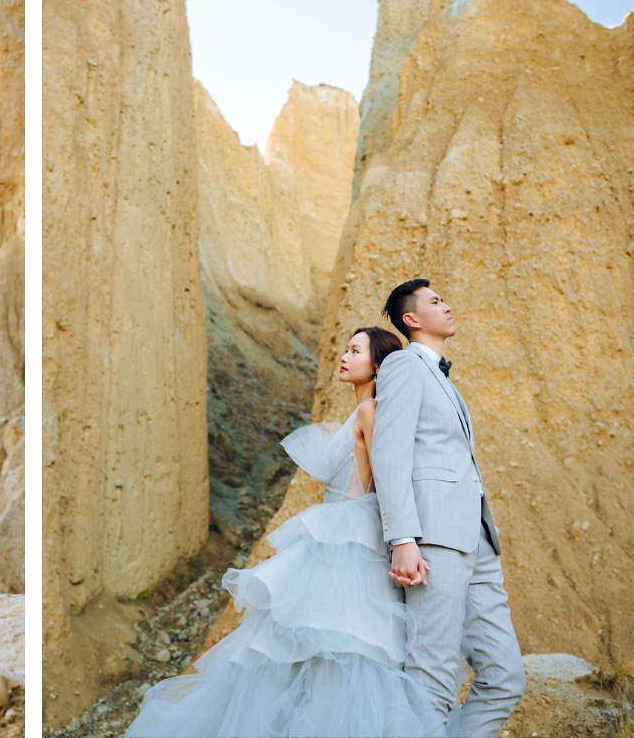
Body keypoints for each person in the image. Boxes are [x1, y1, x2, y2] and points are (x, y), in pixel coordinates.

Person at [126, 327, 442, 737]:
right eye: (345, 349)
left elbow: (391, 482)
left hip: (350, 545)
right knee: (305, 656)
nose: (344, 357)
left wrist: (404, 541)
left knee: (339, 653)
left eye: (355, 351)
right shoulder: (361, 409)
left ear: (378, 365)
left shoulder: (372, 411)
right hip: (333, 539)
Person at [374, 279, 524, 735]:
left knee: (504, 677)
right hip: (434, 538)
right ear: (412, 319)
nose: (449, 306)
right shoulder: (404, 365)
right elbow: (390, 452)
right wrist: (403, 538)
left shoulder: (439, 375)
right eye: (436, 301)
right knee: (432, 675)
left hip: (476, 538)